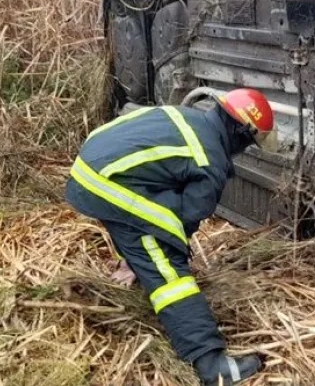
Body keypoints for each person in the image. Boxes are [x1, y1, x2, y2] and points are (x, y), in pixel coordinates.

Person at [65, 88, 278, 385]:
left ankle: (134, 263)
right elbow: (183, 220)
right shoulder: (210, 161)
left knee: (144, 228)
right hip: (105, 183)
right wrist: (170, 253)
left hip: (90, 167)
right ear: (241, 133)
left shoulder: (187, 116)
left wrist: (132, 256)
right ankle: (211, 363)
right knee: (166, 262)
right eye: (248, 143)